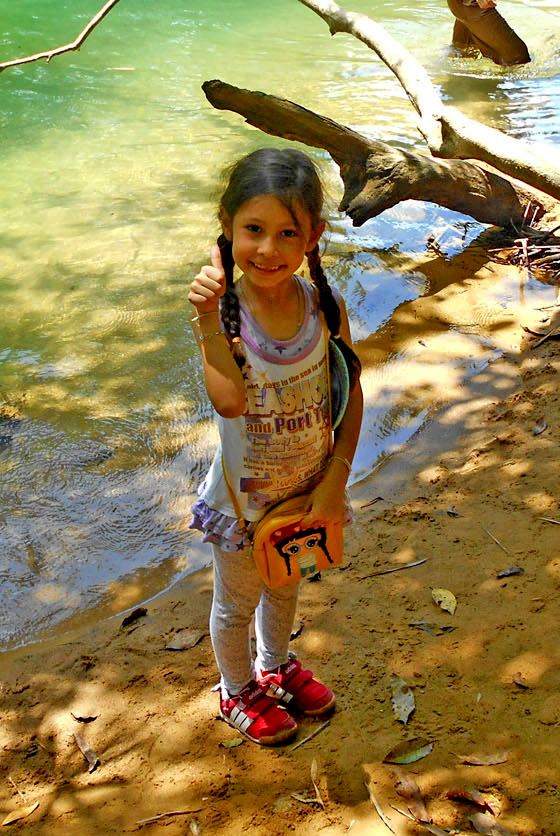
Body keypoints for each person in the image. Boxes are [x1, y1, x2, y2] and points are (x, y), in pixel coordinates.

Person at [186, 147, 364, 746]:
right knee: (237, 602)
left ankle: (274, 664)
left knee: (284, 584)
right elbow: (230, 403)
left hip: (307, 492)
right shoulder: (231, 320)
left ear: (313, 235)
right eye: (253, 230)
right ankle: (234, 690)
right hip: (245, 503)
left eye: (287, 233)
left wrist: (335, 480)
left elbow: (349, 392)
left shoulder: (322, 306)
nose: (268, 249)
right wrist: (207, 322)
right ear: (226, 226)